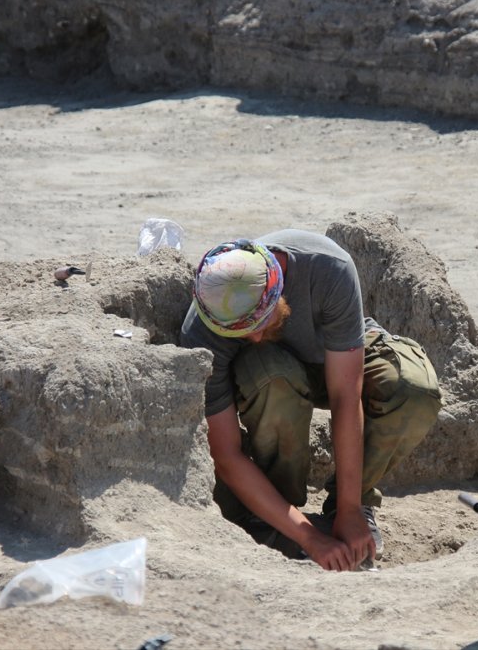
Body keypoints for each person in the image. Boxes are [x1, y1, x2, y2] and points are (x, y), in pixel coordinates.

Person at [179, 229, 442, 571]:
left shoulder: (328, 269)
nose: (255, 336)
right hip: (276, 375)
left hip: (338, 356)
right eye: (241, 332)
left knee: (413, 388)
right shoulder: (202, 330)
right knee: (272, 378)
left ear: (278, 288)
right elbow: (226, 454)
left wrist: (348, 508)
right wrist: (308, 537)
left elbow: (346, 396)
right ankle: (280, 519)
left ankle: (349, 507)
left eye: (262, 321)